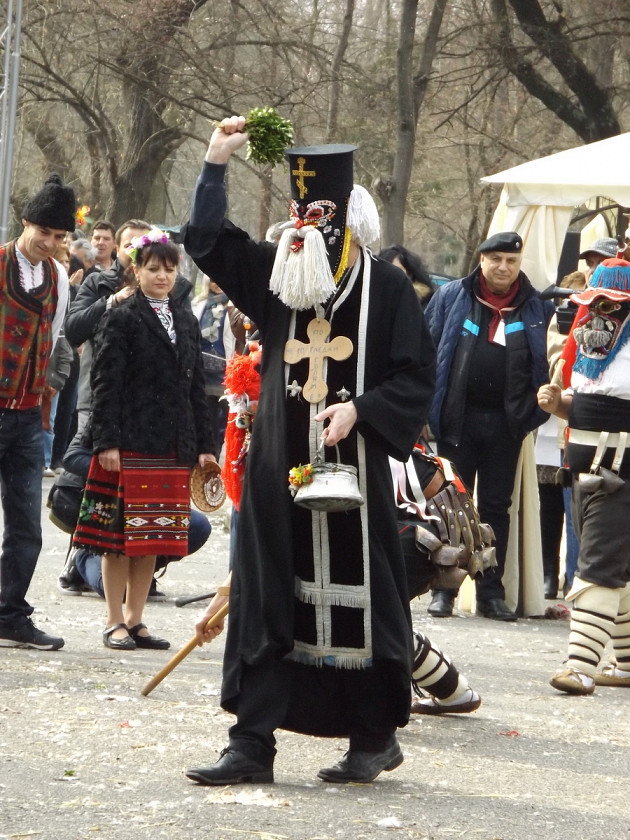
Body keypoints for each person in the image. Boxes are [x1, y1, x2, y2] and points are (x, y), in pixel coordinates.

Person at [182, 116, 436, 786]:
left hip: (355, 475)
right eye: (297, 218)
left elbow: (416, 375)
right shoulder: (275, 275)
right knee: (267, 595)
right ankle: (251, 743)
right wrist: (215, 162)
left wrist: (362, 409)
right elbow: (206, 241)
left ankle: (372, 737)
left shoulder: (387, 288)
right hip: (277, 470)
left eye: (317, 218)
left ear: (342, 219)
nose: (303, 231)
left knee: (366, 597)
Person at [72, 229, 216, 650]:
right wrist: (106, 441)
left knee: (153, 534)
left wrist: (205, 446)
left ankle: (136, 620)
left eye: (169, 269)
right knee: (118, 539)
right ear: (136, 270)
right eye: (153, 269)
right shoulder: (121, 316)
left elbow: (195, 388)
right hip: (129, 440)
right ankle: (113, 620)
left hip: (172, 445)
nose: (162, 276)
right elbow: (105, 383)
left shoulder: (186, 319)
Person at [425, 231, 552, 621]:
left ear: (519, 264)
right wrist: (425, 415)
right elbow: (426, 351)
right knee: (451, 506)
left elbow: (550, 366)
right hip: (456, 422)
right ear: (481, 260)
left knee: (496, 508)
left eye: (511, 261)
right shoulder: (451, 297)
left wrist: (530, 416)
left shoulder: (536, 307)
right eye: (495, 259)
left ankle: (490, 593)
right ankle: (444, 590)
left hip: (506, 426)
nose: (503, 267)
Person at [537, 258, 630, 694]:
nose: (598, 313)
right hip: (584, 472)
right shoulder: (591, 350)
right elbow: (587, 405)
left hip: (619, 474)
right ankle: (626, 665)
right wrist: (558, 403)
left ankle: (579, 666)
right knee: (618, 570)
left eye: (609, 305)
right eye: (594, 304)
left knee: (597, 566)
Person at [0, 173, 74, 650]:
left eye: (59, 236)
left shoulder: (59, 279)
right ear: (26, 222)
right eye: (43, 231)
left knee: (27, 525)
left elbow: (55, 336)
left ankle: (10, 614)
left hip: (27, 417)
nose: (49, 242)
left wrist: (42, 393)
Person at [50, 427, 212, 596]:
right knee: (118, 591)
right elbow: (72, 456)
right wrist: (126, 472)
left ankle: (137, 573)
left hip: (146, 501)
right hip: (98, 500)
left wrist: (204, 454)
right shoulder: (111, 411)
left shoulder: (177, 417)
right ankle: (84, 555)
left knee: (198, 527)